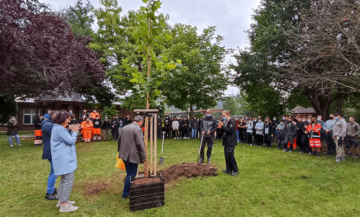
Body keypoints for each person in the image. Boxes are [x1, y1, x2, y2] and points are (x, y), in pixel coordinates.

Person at [51, 111, 80, 212]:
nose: (69, 120)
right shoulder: (59, 129)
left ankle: (61, 200)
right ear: (62, 118)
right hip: (63, 158)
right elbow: (71, 141)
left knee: (64, 179)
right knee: (69, 179)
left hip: (61, 157)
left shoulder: (58, 128)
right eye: (68, 118)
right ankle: (64, 204)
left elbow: (66, 138)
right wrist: (75, 131)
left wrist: (71, 130)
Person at [118, 115, 147, 198]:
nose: (142, 124)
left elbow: (119, 140)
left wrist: (120, 151)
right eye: (142, 122)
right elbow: (140, 144)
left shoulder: (124, 128)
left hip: (124, 154)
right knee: (131, 175)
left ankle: (130, 190)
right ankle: (126, 194)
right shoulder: (137, 129)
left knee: (129, 173)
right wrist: (144, 157)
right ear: (140, 121)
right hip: (132, 156)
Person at [42, 110, 59, 200]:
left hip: (52, 150)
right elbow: (58, 132)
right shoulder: (47, 125)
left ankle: (52, 188)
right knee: (55, 171)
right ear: (53, 116)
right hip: (51, 150)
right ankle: (49, 193)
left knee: (54, 171)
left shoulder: (50, 123)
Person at [218, 110, 238, 176]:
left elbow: (229, 130)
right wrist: (220, 128)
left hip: (231, 141)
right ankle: (228, 170)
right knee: (226, 156)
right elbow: (224, 130)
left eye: (224, 115)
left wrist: (222, 126)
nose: (223, 117)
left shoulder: (232, 121)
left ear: (227, 115)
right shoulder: (225, 121)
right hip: (226, 141)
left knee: (230, 155)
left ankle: (235, 170)